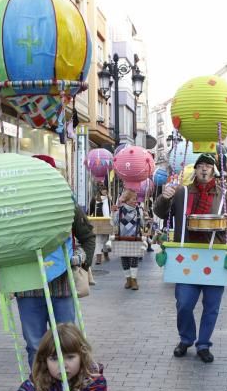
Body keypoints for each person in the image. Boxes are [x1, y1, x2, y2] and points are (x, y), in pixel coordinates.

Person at [153, 153, 227, 363]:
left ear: (213, 171)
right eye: (200, 166)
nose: (204, 169)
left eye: (208, 166)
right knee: (184, 304)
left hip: (214, 256)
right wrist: (164, 197)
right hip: (186, 256)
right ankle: (186, 339)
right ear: (195, 170)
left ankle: (204, 344)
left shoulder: (224, 195)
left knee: (212, 306)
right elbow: (160, 212)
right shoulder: (182, 193)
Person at [15, 155, 95, 364]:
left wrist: (78, 258)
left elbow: (87, 237)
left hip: (61, 285)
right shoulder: (15, 208)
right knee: (35, 346)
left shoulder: (66, 204)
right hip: (27, 286)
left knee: (67, 344)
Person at [112, 189, 144, 290]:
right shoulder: (120, 211)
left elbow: (142, 225)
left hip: (135, 238)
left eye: (136, 199)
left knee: (134, 259)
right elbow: (114, 223)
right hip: (122, 238)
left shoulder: (139, 210)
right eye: (133, 199)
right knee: (124, 259)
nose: (136, 201)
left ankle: (134, 280)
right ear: (127, 200)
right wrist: (113, 212)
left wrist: (145, 217)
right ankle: (128, 279)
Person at [88, 185, 112, 265]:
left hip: (107, 221)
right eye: (103, 190)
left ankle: (105, 254)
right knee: (98, 240)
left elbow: (111, 209)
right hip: (98, 221)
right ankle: (98, 257)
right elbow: (90, 211)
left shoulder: (108, 199)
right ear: (100, 190)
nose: (105, 191)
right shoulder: (95, 199)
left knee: (105, 239)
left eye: (106, 189)